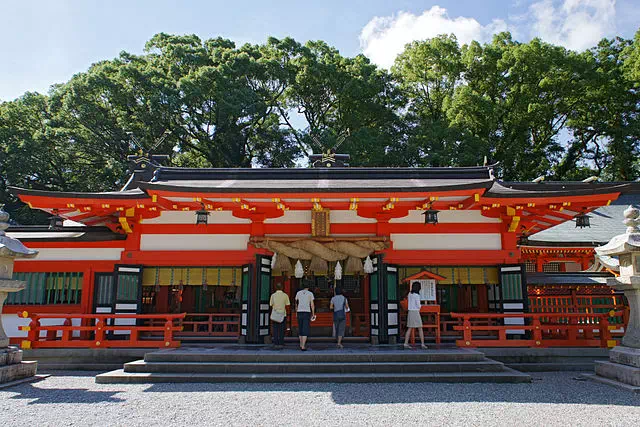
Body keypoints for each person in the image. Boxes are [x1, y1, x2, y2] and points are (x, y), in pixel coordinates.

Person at [404, 281, 428, 350]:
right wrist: (422, 305)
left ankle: (405, 343)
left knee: (409, 328)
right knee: (420, 328)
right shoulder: (417, 295)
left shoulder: (409, 294)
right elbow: (418, 305)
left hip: (410, 312)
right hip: (415, 312)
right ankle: (422, 344)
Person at [269, 282, 290, 349]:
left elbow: (270, 304)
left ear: (276, 288)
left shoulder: (273, 295)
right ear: (282, 288)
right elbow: (287, 305)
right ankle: (281, 342)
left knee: (275, 329)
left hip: (275, 314)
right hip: (282, 314)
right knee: (282, 329)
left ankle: (275, 342)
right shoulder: (285, 295)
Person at [295, 283, 315, 351]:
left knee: (300, 328)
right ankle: (303, 346)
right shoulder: (310, 293)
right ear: (308, 287)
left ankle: (301, 344)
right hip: (307, 312)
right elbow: (312, 304)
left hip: (299, 311)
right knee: (305, 328)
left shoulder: (298, 293)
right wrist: (313, 313)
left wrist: (296, 312)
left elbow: (296, 303)